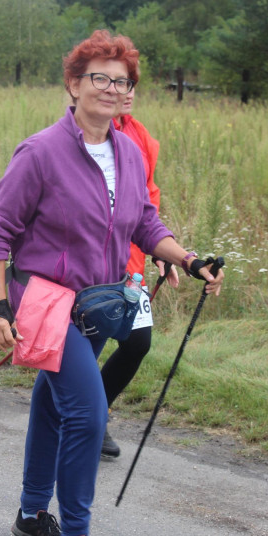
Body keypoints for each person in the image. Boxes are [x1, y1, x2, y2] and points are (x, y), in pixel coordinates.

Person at [0, 29, 224, 536]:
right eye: (102, 79)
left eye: (124, 82)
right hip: (43, 302)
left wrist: (187, 260)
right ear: (73, 84)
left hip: (96, 302)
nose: (114, 89)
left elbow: (142, 223)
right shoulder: (40, 152)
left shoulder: (129, 152)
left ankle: (29, 513)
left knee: (51, 403)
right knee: (87, 413)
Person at [99, 86, 179, 459]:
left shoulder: (140, 136)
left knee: (137, 343)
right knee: (85, 345)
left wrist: (163, 250)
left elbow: (149, 197)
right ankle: (79, 418)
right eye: (116, 83)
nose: (126, 92)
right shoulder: (86, 135)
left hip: (132, 262)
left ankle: (92, 417)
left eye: (131, 84)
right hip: (93, 264)